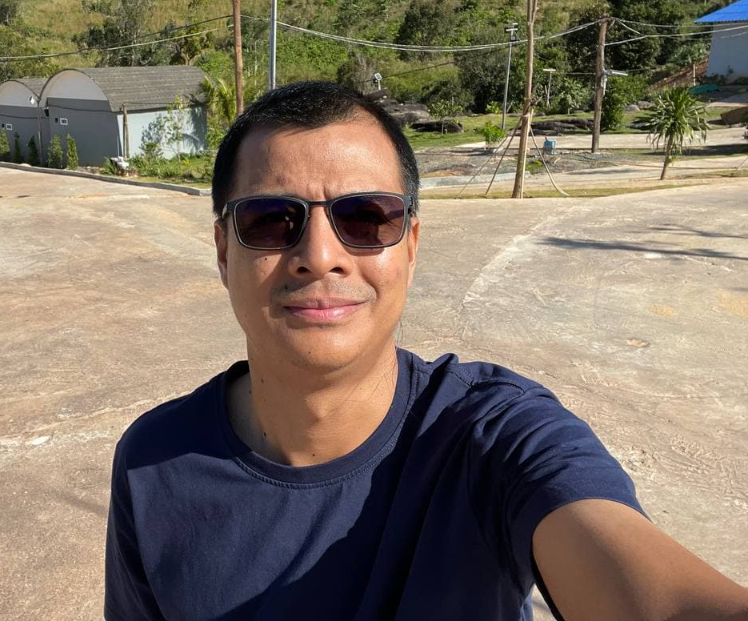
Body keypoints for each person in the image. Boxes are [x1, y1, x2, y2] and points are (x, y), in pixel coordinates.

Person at [105, 81, 748, 620]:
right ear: (224, 252)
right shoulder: (153, 462)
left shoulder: (493, 437)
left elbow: (640, 580)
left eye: (365, 218)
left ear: (410, 246)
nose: (320, 256)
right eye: (271, 220)